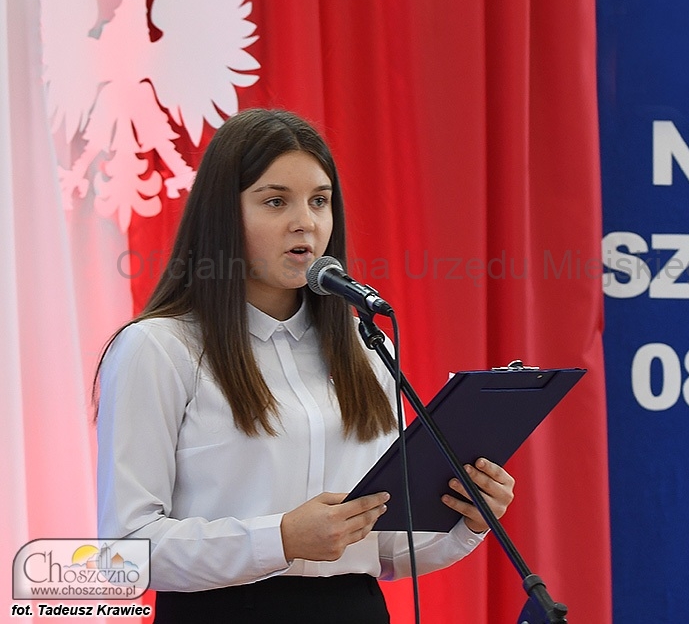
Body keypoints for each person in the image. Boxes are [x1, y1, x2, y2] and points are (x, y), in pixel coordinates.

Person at [95, 108, 514, 623]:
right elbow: (125, 552)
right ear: (222, 218)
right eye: (276, 201)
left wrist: (468, 519)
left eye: (320, 201)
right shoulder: (158, 348)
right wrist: (281, 539)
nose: (306, 222)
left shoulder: (366, 347)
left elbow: (384, 550)